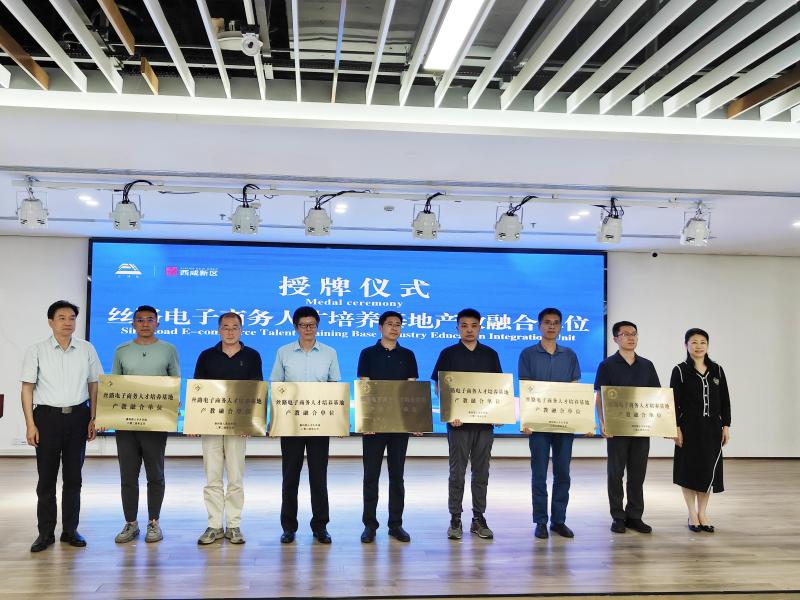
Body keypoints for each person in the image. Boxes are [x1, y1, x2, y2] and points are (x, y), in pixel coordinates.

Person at [21, 300, 102, 552]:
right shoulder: (36, 350)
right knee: (46, 479)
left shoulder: (87, 349)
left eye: (72, 318)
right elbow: (27, 388)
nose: (68, 323)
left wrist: (94, 417)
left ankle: (70, 530)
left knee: (73, 478)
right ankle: (45, 533)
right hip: (46, 419)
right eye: (62, 318)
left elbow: (94, 385)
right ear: (50, 322)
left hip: (78, 417)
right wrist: (30, 424)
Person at [270, 306, 340, 544]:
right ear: (296, 327)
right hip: (291, 423)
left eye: (312, 325)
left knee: (319, 477)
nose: (308, 329)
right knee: (290, 477)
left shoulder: (329, 353)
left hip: (320, 424)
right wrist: (274, 420)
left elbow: (334, 387)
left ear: (317, 326)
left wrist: (337, 422)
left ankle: (320, 526)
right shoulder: (283, 352)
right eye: (303, 325)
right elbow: (276, 386)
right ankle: (288, 527)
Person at [111, 305, 180, 544]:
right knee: (128, 475)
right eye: (140, 320)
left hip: (156, 423)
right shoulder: (122, 350)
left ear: (157, 323)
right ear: (133, 324)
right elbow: (114, 386)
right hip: (126, 423)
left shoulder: (168, 350)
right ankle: (131, 523)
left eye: (150, 319)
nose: (145, 324)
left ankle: (153, 522)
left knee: (155, 474)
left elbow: (175, 383)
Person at [193, 312, 263, 545]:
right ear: (218, 330)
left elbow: (256, 391)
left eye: (235, 327)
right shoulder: (206, 356)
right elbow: (198, 391)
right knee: (212, 476)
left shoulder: (252, 356)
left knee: (235, 477)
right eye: (226, 327)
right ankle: (214, 525)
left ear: (241, 330)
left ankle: (233, 525)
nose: (230, 331)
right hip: (210, 425)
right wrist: (195, 422)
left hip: (238, 427)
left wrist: (249, 423)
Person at [431, 308, 501, 541]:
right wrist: (450, 412)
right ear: (457, 328)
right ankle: (455, 518)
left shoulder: (490, 354)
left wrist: (498, 412)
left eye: (473, 326)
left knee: (481, 472)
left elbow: (498, 388)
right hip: (458, 424)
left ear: (480, 327)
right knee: (457, 473)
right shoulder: (448, 353)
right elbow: (439, 386)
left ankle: (478, 518)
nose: (469, 330)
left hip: (484, 425)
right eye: (464, 326)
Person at [518, 307, 584, 540]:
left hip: (564, 424)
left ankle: (559, 520)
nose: (551, 326)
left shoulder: (570, 355)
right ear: (539, 326)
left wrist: (580, 420)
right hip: (538, 425)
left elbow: (575, 389)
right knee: (539, 474)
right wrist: (526, 420)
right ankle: (540, 521)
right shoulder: (528, 354)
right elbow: (525, 389)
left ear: (561, 327)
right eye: (547, 322)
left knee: (563, 473)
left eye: (556, 322)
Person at [357, 310, 419, 544]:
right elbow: (364, 388)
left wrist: (414, 421)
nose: (394, 328)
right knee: (370, 476)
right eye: (390, 324)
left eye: (398, 324)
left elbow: (411, 390)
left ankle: (396, 524)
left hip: (399, 426)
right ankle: (369, 525)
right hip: (374, 426)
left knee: (397, 476)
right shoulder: (367, 354)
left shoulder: (408, 355)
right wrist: (366, 421)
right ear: (380, 327)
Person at [594, 320, 660, 534]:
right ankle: (618, 516)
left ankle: (635, 516)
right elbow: (600, 397)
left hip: (641, 428)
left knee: (637, 473)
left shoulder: (647, 365)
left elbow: (656, 397)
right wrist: (602, 422)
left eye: (634, 334)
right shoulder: (607, 365)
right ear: (615, 339)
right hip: (616, 429)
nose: (631, 337)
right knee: (615, 474)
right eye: (625, 334)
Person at [670, 328, 731, 533]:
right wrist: (675, 428)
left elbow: (725, 401)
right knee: (689, 471)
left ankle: (703, 513)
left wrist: (726, 426)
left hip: (712, 429)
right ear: (686, 345)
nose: (698, 346)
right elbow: (673, 403)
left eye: (702, 342)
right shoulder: (680, 370)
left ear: (708, 345)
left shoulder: (717, 371)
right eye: (694, 342)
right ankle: (692, 514)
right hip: (688, 429)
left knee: (707, 471)